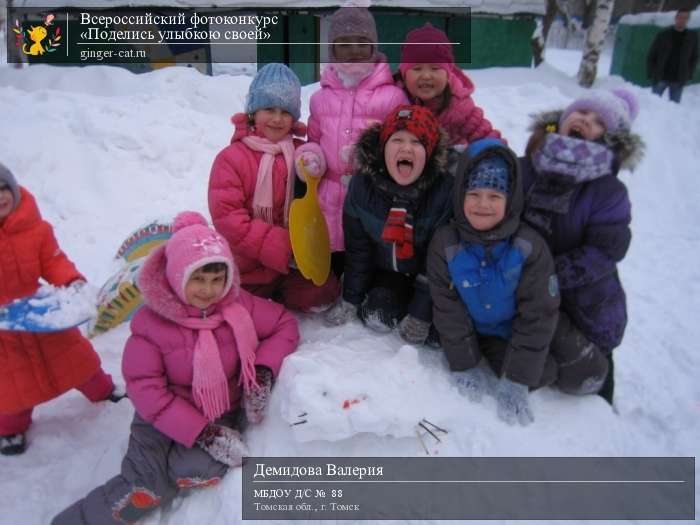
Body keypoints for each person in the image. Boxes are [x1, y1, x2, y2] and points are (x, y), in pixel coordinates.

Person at [52, 211, 299, 524]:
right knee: (143, 483)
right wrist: (204, 434)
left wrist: (261, 373)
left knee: (199, 468)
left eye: (216, 279)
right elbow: (146, 392)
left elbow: (283, 324)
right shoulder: (153, 325)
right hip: (158, 417)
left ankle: (170, 479)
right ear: (177, 276)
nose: (208, 290)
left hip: (216, 408)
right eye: (198, 279)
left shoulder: (238, 306)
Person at [519, 89, 645, 404]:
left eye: (598, 121)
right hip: (525, 291)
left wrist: (545, 276)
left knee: (592, 375)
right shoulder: (526, 167)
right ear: (562, 120)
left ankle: (606, 419)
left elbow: (604, 251)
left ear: (610, 138)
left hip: (584, 303)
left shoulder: (608, 191)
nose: (585, 120)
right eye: (581, 112)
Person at [428, 139, 560, 426]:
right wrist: (464, 364)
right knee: (544, 373)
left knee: (558, 371)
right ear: (460, 194)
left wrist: (517, 380)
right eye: (473, 193)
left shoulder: (528, 245)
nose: (483, 204)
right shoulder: (445, 243)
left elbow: (538, 314)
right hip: (479, 332)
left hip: (514, 329)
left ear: (510, 200)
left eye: (495, 196)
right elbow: (448, 309)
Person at [0, 163, 119, 456]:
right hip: (4, 329)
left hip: (42, 313)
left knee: (76, 358)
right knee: (11, 384)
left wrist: (72, 283)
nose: (0, 196)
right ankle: (10, 428)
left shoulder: (36, 230)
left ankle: (102, 389)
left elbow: (54, 262)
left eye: (3, 188)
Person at [208, 63, 340, 312]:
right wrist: (279, 245)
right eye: (269, 109)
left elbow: (314, 198)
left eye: (285, 112)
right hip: (247, 266)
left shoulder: (300, 153)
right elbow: (229, 218)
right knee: (238, 307)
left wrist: (315, 166)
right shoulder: (231, 158)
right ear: (253, 112)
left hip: (291, 263)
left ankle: (282, 296)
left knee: (324, 292)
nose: (277, 119)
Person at [324, 105, 453, 345]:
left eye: (417, 143)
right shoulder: (363, 186)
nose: (406, 148)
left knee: (441, 335)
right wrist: (350, 299)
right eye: (397, 140)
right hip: (388, 272)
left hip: (429, 279)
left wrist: (420, 315)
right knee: (378, 315)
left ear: (430, 151)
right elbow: (358, 250)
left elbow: (438, 261)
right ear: (383, 148)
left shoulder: (443, 191)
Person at [297, 2, 408, 277]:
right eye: (344, 43)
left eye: (361, 42)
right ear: (332, 49)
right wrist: (312, 157)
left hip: (372, 192)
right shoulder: (320, 98)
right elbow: (314, 139)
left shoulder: (392, 97)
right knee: (333, 254)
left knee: (366, 253)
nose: (354, 49)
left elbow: (402, 146)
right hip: (329, 193)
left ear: (373, 46)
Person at [397, 23, 503, 148]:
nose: (426, 76)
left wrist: (497, 156)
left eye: (435, 68)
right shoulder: (394, 100)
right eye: (417, 68)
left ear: (448, 74)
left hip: (449, 163)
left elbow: (485, 137)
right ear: (404, 74)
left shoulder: (459, 107)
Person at [647, 9, 698, 103]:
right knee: (653, 105)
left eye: (685, 18)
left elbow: (694, 58)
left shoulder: (692, 37)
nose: (682, 20)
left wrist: (689, 74)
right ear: (675, 18)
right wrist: (652, 72)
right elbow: (652, 54)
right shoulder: (663, 35)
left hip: (678, 80)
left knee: (674, 109)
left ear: (688, 20)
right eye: (680, 17)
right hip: (661, 77)